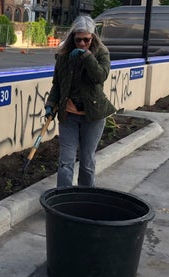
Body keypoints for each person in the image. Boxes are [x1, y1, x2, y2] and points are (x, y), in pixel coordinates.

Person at [44, 15, 116, 188]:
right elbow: (57, 85)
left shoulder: (101, 53)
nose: (82, 44)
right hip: (68, 115)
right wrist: (50, 105)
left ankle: (84, 197)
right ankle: (63, 198)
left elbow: (100, 77)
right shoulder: (63, 56)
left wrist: (87, 57)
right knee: (66, 160)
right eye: (78, 40)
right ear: (72, 38)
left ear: (93, 38)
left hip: (94, 115)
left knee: (87, 160)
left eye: (86, 40)